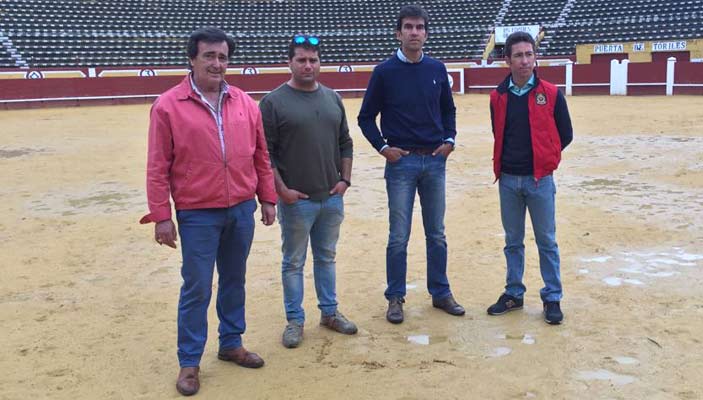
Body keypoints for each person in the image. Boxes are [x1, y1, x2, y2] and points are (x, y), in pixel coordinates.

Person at [140, 27, 277, 396]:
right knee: (197, 286)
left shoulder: (245, 102)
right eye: (209, 56)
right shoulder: (168, 105)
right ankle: (189, 361)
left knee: (234, 279)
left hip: (241, 208)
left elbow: (260, 155)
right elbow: (157, 165)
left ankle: (231, 342)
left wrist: (267, 197)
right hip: (197, 212)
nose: (217, 63)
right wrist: (161, 216)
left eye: (222, 57)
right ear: (192, 59)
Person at [357, 4, 463, 324]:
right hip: (400, 163)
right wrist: (383, 148)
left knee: (437, 233)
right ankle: (395, 297)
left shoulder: (437, 68)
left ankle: (440, 293)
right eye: (409, 27)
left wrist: (450, 140)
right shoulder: (384, 72)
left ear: (426, 34)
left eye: (419, 27)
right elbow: (365, 117)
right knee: (398, 236)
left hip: (434, 160)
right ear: (398, 33)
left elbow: (448, 110)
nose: (414, 32)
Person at [259, 35, 357, 349]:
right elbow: (265, 153)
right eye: (301, 60)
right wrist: (282, 191)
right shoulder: (273, 102)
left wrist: (345, 181)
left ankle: (329, 312)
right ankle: (294, 320)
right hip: (296, 200)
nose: (307, 65)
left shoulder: (333, 98)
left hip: (331, 196)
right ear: (289, 62)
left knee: (326, 258)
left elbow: (345, 142)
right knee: (293, 262)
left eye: (313, 60)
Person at [486, 31, 573, 325]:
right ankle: (514, 293)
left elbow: (566, 134)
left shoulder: (551, 93)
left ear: (535, 57)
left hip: (540, 179)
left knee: (546, 240)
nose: (525, 61)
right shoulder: (498, 97)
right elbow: (499, 133)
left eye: (529, 54)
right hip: (509, 180)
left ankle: (552, 297)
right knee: (513, 241)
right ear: (508, 60)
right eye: (518, 55)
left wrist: (546, 158)